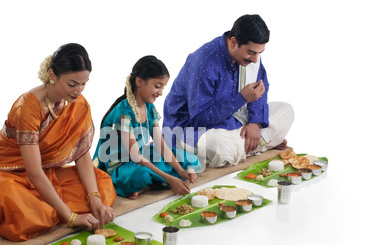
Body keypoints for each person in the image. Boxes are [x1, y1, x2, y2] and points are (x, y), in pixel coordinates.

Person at [0, 43, 117, 242]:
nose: (78, 90)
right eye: (72, 84)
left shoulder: (78, 104)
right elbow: (34, 172)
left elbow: (81, 154)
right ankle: (50, 211)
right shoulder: (28, 106)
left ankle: (49, 208)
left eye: (84, 84)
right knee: (19, 204)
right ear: (52, 76)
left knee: (103, 182)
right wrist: (71, 217)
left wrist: (94, 199)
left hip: (45, 172)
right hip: (4, 173)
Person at [162, 14, 294, 168]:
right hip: (189, 129)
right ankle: (259, 144)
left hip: (233, 120)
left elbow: (260, 90)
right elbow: (199, 120)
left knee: (286, 110)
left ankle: (246, 145)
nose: (256, 59)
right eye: (252, 52)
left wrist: (255, 124)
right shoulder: (204, 62)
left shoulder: (250, 55)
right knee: (220, 146)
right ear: (233, 42)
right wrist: (242, 98)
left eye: (260, 53)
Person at [93, 56, 200, 200]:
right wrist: (170, 179)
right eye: (157, 86)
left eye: (163, 87)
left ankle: (150, 186)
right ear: (139, 82)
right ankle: (147, 185)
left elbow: (161, 144)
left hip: (142, 156)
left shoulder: (149, 108)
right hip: (122, 165)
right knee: (141, 176)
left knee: (187, 158)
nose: (161, 92)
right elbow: (135, 156)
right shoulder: (123, 113)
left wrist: (180, 171)